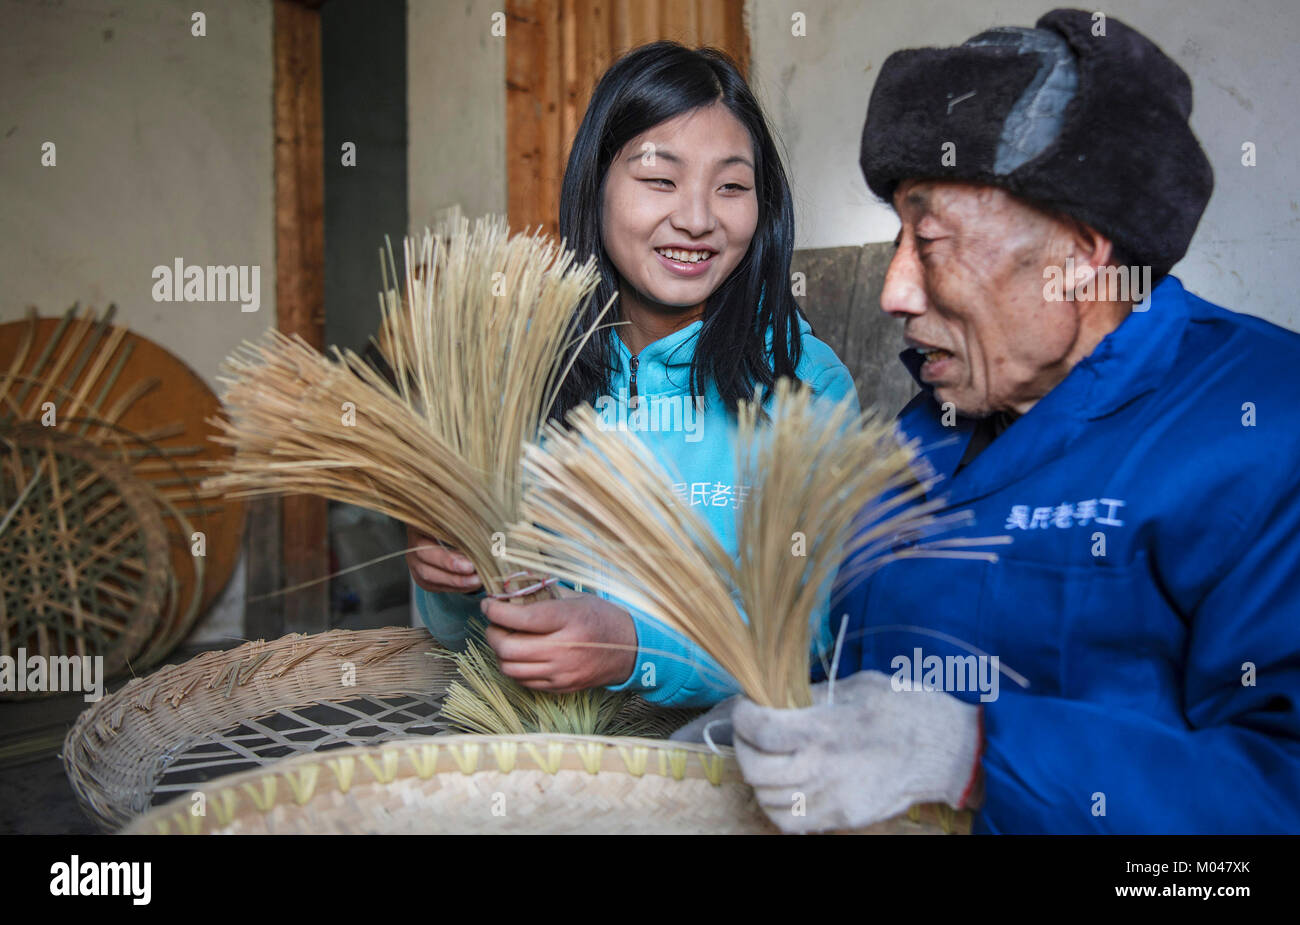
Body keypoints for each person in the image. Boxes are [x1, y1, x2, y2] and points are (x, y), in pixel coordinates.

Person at [686, 9, 1300, 834]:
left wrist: (976, 752)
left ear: (1083, 252)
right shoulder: (922, 433)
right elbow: (851, 663)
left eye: (929, 239)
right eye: (897, 234)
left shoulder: (1264, 429)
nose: (893, 289)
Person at [406, 42, 857, 706]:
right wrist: (448, 570)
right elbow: (459, 636)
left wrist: (633, 647)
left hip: (719, 765)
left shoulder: (804, 385)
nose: (698, 219)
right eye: (660, 179)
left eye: (731, 185)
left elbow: (815, 632)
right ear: (597, 185)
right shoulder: (518, 378)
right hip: (544, 759)